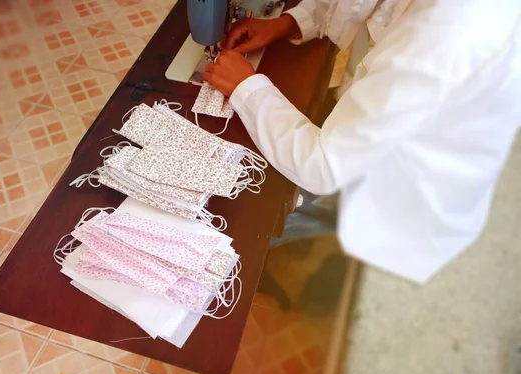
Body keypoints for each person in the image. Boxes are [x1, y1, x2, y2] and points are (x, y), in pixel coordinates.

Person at [203, 0, 521, 284]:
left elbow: (325, 165)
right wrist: (288, 22)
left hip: (404, 189)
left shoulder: (450, 33)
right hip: (375, 125)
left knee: (238, 229)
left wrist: (245, 87)